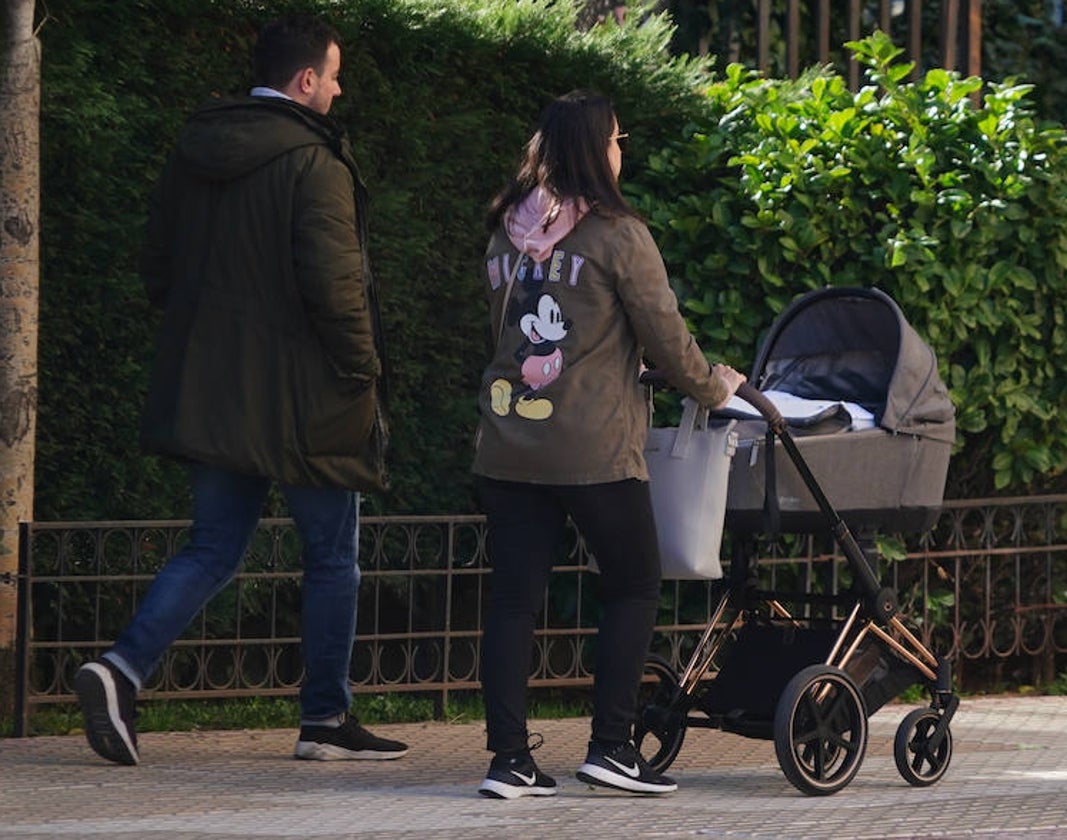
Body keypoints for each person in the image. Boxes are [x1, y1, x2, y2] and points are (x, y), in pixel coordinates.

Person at [73, 14, 405, 766]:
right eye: (334, 73)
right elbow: (335, 286)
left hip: (216, 391)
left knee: (216, 543)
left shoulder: (196, 150)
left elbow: (157, 262)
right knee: (331, 556)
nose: (340, 87)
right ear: (305, 82)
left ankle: (120, 668)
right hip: (307, 399)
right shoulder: (313, 164)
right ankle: (324, 718)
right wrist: (364, 371)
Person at [472, 89, 745, 799]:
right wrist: (716, 389)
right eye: (619, 139)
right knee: (632, 584)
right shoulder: (617, 233)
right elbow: (666, 336)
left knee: (511, 603)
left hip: (507, 441)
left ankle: (508, 762)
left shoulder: (507, 226)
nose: (622, 151)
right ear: (600, 149)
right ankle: (612, 747)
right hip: (591, 448)